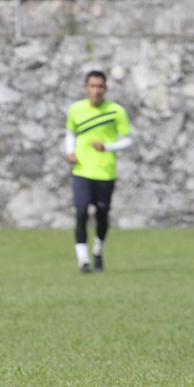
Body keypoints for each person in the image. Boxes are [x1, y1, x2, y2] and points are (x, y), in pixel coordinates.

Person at [65, 70, 133, 273]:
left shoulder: (116, 111)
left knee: (102, 215)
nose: (96, 90)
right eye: (92, 86)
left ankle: (98, 251)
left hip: (105, 172)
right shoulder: (76, 109)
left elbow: (128, 140)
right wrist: (69, 151)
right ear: (86, 88)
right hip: (82, 171)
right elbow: (70, 132)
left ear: (105, 89)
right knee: (82, 211)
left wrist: (107, 147)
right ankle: (83, 260)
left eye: (100, 86)